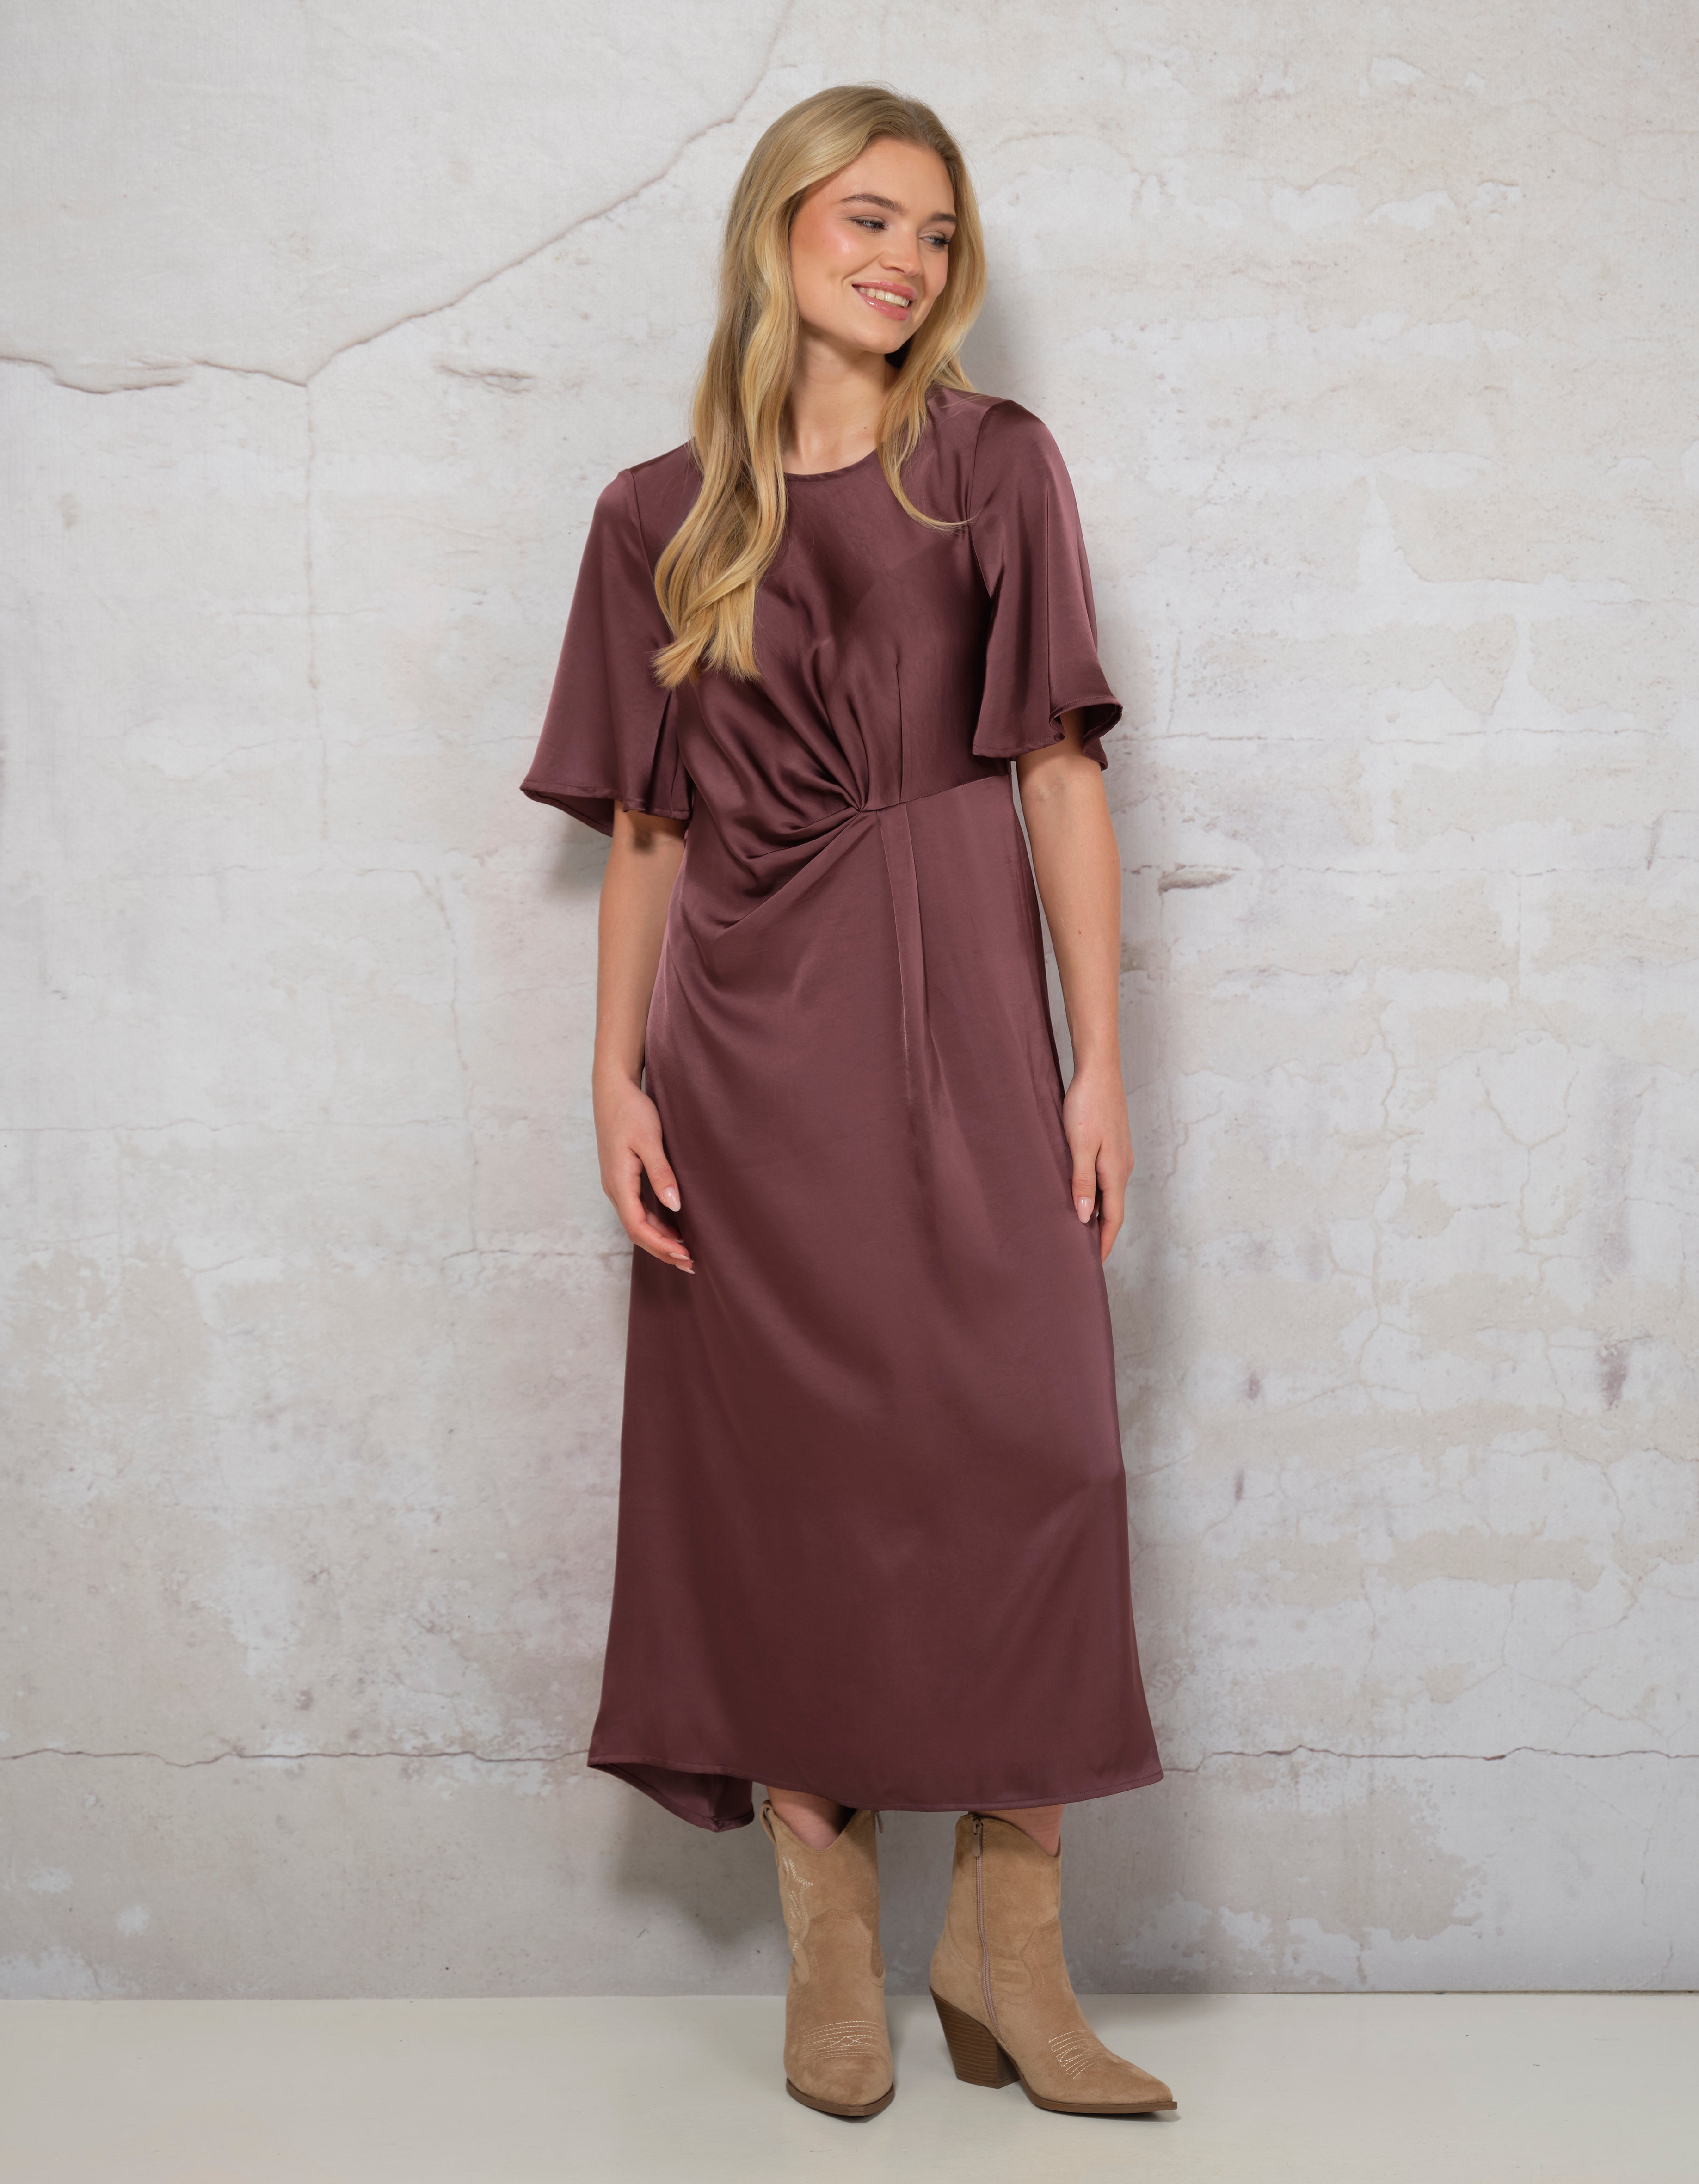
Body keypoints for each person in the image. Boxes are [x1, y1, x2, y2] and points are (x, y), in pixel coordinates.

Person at [519, 83, 1174, 2123]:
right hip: (747, 1046)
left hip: (964, 1014)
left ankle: (1004, 1944)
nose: (904, 260)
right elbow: (645, 827)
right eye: (870, 217)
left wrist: (1097, 1057)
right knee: (789, 1480)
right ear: (779, 225)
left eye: (935, 234)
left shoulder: (991, 466)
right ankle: (829, 1939)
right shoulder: (654, 513)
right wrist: (611, 1073)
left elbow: (1057, 769)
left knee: (1038, 1448)